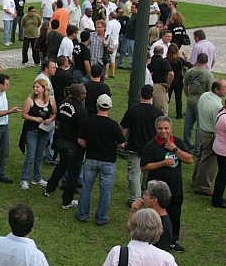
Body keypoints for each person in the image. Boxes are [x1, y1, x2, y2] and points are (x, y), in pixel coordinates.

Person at [139, 118, 192, 253]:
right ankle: (151, 238)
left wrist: (175, 150)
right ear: (156, 129)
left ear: (171, 129)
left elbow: (189, 159)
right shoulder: (151, 146)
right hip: (156, 191)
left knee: (174, 215)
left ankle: (172, 241)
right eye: (160, 128)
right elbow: (144, 166)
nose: (163, 131)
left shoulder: (177, 143)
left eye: (166, 128)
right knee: (154, 215)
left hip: (175, 188)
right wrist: (162, 163)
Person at [76, 94, 126, 225]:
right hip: (108, 161)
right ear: (110, 107)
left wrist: (89, 147)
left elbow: (80, 140)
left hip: (91, 158)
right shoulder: (113, 125)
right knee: (105, 190)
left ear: (96, 106)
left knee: (87, 187)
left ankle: (82, 214)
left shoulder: (88, 122)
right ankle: (101, 217)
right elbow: (121, 145)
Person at [120, 85, 163, 204]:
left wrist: (120, 142)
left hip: (134, 145)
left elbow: (125, 128)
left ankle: (135, 198)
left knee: (134, 172)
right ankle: (146, 191)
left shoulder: (133, 110)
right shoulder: (157, 112)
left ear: (140, 94)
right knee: (148, 172)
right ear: (153, 95)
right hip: (151, 147)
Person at [47, 83, 87, 210]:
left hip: (61, 140)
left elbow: (58, 120)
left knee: (62, 165)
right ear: (80, 95)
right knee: (73, 174)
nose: (86, 94)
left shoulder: (64, 103)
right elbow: (83, 130)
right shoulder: (81, 111)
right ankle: (67, 201)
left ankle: (49, 188)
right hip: (74, 144)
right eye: (85, 93)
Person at [192, 79, 226, 196]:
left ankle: (196, 179)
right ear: (216, 90)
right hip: (210, 134)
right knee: (209, 162)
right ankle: (202, 186)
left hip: (202, 131)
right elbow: (218, 124)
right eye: (225, 89)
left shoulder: (205, 96)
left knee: (201, 157)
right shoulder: (216, 105)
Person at [18, 80, 56, 190]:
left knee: (40, 155)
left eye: (38, 87)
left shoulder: (51, 101)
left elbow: (54, 113)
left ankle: (37, 177)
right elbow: (24, 115)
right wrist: (34, 118)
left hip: (44, 131)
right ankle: (24, 179)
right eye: (34, 86)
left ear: (44, 89)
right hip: (32, 131)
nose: (35, 89)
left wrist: (50, 119)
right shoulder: (30, 101)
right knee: (30, 155)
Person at [182, 52, 214, 148]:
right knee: (200, 125)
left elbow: (185, 86)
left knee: (188, 123)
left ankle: (186, 143)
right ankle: (197, 147)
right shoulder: (208, 75)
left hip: (191, 99)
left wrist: (188, 95)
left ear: (197, 60)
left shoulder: (189, 72)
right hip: (202, 102)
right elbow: (210, 90)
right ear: (207, 61)